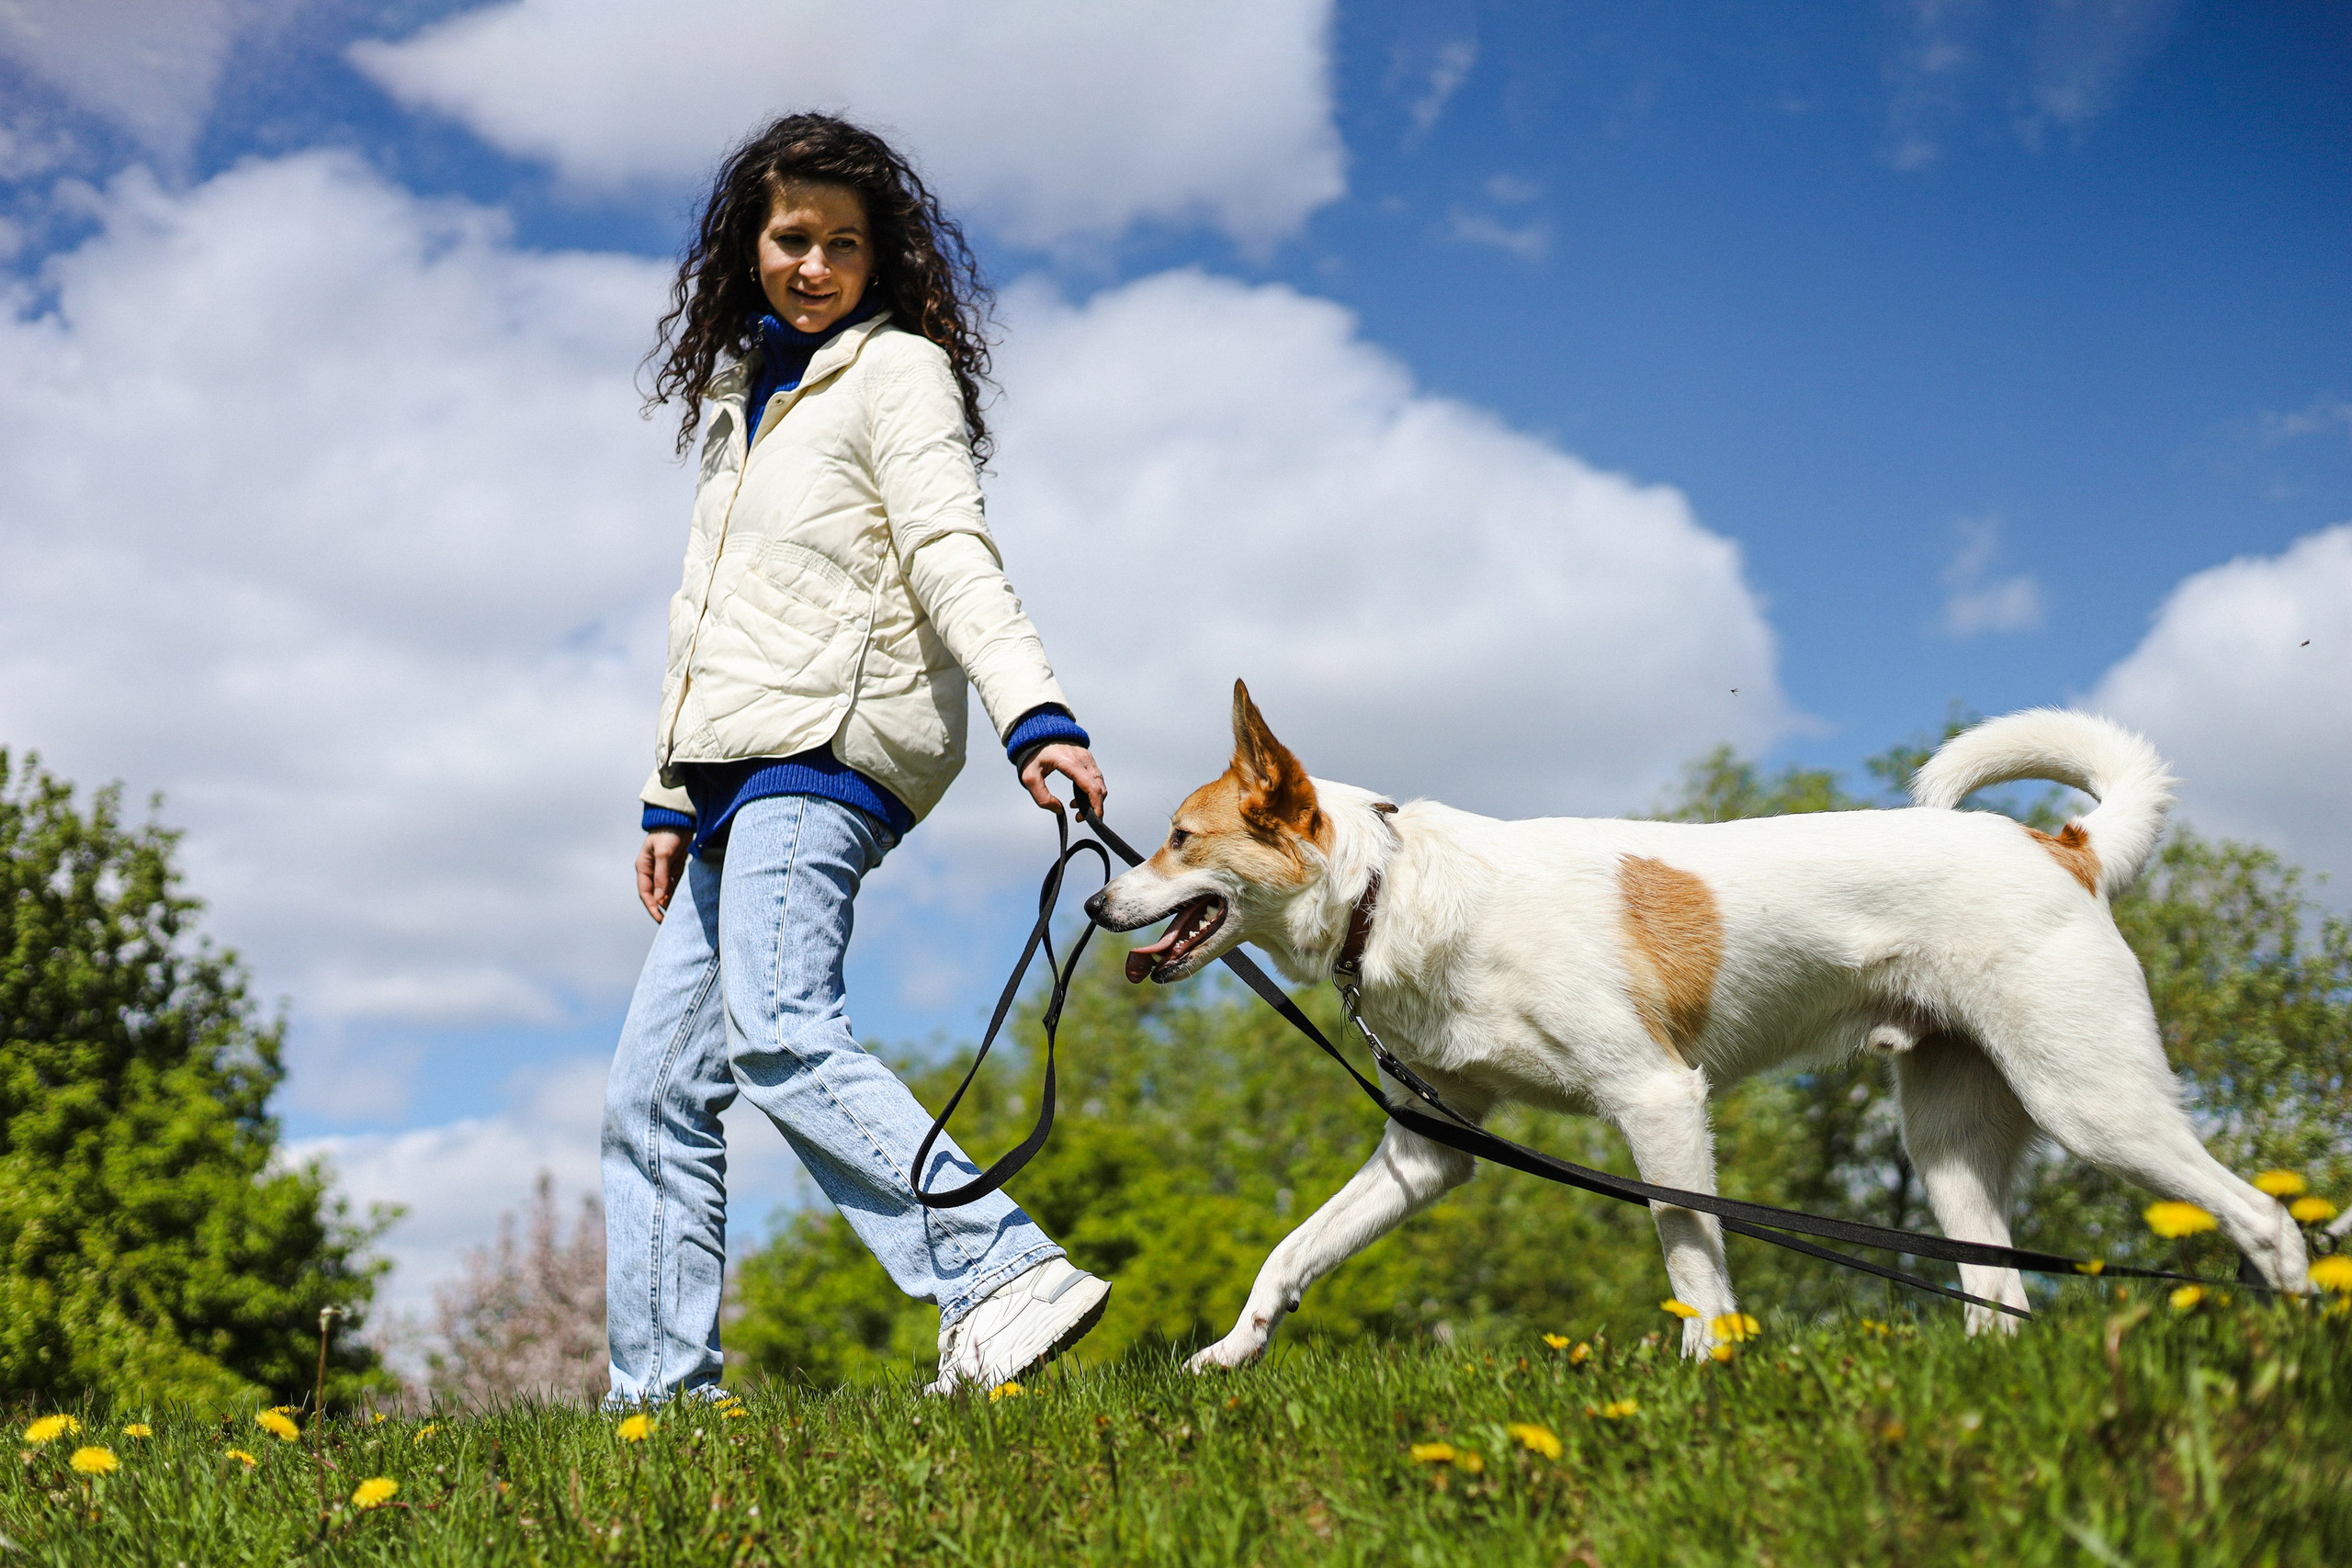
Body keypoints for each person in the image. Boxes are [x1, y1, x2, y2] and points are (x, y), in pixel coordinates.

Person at [605, 112, 1110, 1404]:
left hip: (831, 743)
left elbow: (951, 551)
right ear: (750, 246)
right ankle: (657, 1414)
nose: (815, 265)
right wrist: (670, 796)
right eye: (793, 238)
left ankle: (995, 1271)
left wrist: (1035, 716)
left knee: (779, 1030)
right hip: (732, 771)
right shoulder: (739, 399)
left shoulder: (898, 375)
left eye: (843, 244)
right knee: (653, 1095)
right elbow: (704, 613)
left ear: (882, 261)